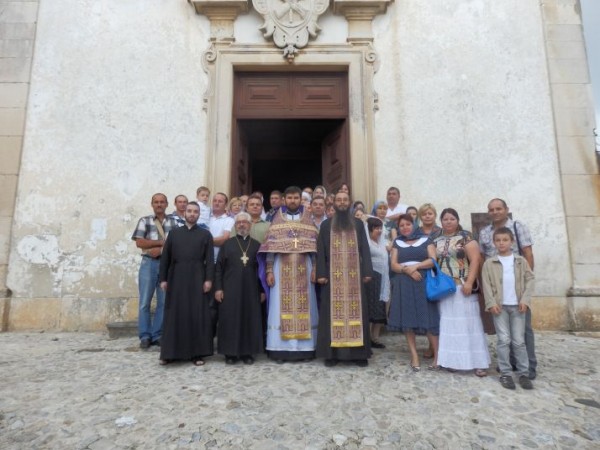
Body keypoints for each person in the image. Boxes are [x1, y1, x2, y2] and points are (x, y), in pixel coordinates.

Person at [259, 186, 319, 362]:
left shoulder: (309, 221)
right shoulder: (277, 220)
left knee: (306, 306)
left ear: (301, 199)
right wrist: (269, 271)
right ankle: (280, 349)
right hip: (280, 268)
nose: (293, 201)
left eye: (296, 198)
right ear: (285, 200)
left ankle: (305, 349)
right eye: (290, 198)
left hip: (305, 269)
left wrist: (315, 268)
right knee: (279, 306)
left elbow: (314, 249)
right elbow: (270, 248)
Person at [479, 198, 537, 379]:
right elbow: (482, 258)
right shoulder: (484, 232)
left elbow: (528, 254)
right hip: (497, 287)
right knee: (504, 332)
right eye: (492, 209)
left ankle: (529, 366)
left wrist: (524, 287)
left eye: (498, 208)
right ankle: (509, 364)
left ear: (506, 209)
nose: (495, 212)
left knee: (523, 330)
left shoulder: (518, 227)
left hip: (516, 285)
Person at [316, 190, 374, 367]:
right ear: (334, 204)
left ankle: (359, 354)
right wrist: (321, 274)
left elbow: (364, 248)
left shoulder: (357, 224)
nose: (341, 202)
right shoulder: (326, 225)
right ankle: (332, 355)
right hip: (333, 280)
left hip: (354, 278)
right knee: (331, 315)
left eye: (345, 200)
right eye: (338, 200)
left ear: (349, 203)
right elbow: (321, 250)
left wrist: (367, 271)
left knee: (358, 314)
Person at [433, 208, 490, 376]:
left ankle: (478, 363)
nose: (448, 221)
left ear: (457, 220)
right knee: (450, 325)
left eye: (452, 218)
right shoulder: (436, 238)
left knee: (469, 325)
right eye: (445, 219)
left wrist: (470, 282)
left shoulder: (466, 236)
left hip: (462, 285)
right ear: (441, 221)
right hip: (445, 288)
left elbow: (475, 260)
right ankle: (453, 360)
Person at [158, 202, 215, 366]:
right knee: (174, 314)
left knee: (196, 314)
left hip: (198, 277)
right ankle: (169, 353)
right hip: (176, 277)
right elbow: (165, 258)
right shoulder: (174, 234)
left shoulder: (205, 235)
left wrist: (209, 280)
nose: (192, 214)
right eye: (189, 211)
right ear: (184, 213)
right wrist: (163, 279)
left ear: (199, 215)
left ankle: (197, 353)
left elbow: (210, 260)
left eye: (195, 212)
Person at [388, 214, 439, 371]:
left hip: (422, 281)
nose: (405, 227)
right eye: (401, 225)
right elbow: (393, 265)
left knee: (429, 318)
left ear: (414, 224)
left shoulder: (426, 239)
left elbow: (432, 260)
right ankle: (414, 355)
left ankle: (438, 356)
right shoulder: (397, 242)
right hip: (404, 282)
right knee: (408, 320)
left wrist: (415, 267)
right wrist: (407, 270)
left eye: (407, 224)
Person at [214, 213, 264, 365]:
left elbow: (261, 270)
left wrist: (262, 290)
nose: (242, 225)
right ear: (235, 226)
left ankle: (247, 353)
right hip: (230, 289)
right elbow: (218, 269)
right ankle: (230, 353)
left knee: (249, 319)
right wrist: (218, 289)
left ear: (250, 225)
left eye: (245, 222)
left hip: (251, 290)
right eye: (239, 223)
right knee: (230, 320)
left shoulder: (256, 245)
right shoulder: (227, 244)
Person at [131, 193, 178, 349]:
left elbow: (177, 244)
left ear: (167, 204)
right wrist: (161, 243)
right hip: (149, 264)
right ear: (152, 204)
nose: (159, 204)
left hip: (167, 265)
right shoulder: (144, 221)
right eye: (156, 202)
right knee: (145, 301)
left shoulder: (173, 222)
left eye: (162, 202)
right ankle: (145, 335)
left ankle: (157, 334)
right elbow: (139, 242)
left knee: (163, 302)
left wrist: (161, 250)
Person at [365, 217, 390, 349]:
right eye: (376, 228)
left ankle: (375, 337)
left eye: (380, 228)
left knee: (380, 307)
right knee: (371, 307)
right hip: (372, 277)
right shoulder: (367, 243)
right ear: (369, 230)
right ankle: (367, 337)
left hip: (383, 278)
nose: (379, 231)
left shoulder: (382, 243)